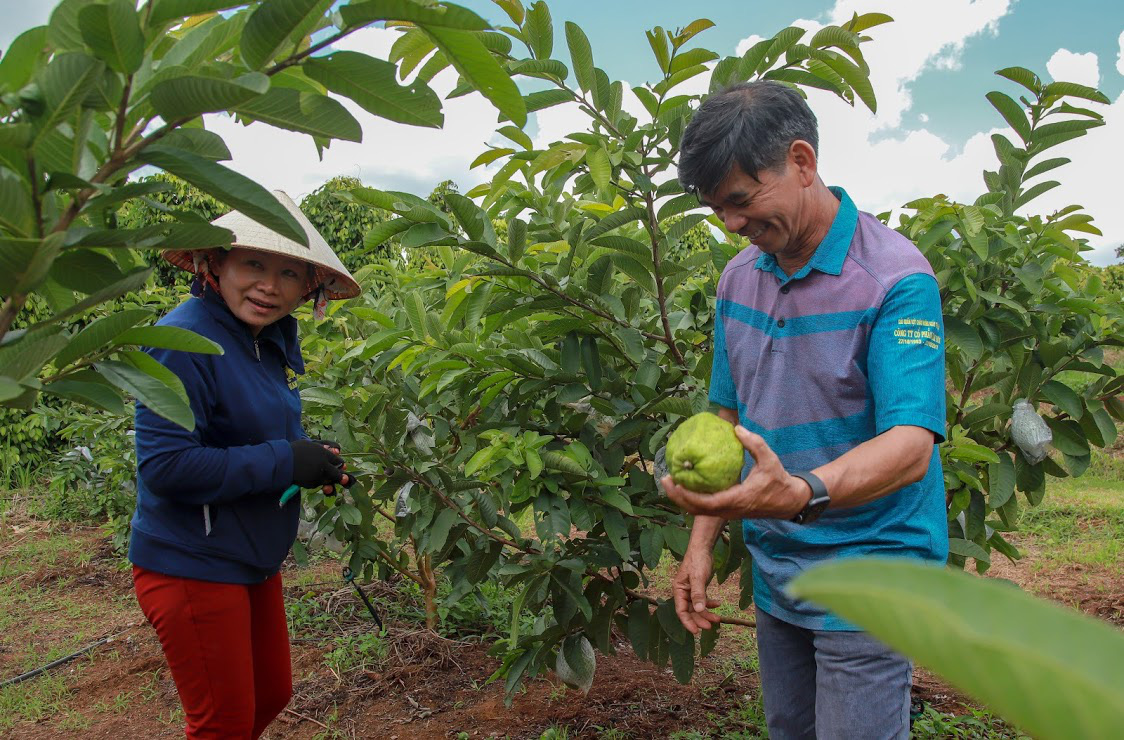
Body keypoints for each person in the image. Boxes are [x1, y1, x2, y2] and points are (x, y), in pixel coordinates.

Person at [663, 81, 948, 740]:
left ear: (802, 161)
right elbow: (725, 421)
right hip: (779, 570)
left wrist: (801, 492)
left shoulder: (897, 280)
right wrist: (701, 544)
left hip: (874, 572)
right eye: (717, 209)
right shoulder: (738, 279)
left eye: (740, 199)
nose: (732, 224)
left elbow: (911, 446)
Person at [129, 192, 361, 739]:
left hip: (246, 552)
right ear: (215, 262)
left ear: (308, 287)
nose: (269, 285)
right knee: (222, 723)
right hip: (191, 560)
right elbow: (167, 467)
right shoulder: (183, 342)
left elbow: (249, 431)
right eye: (253, 263)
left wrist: (309, 457)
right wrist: (284, 460)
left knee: (271, 695)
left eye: (288, 272)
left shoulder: (261, 341)